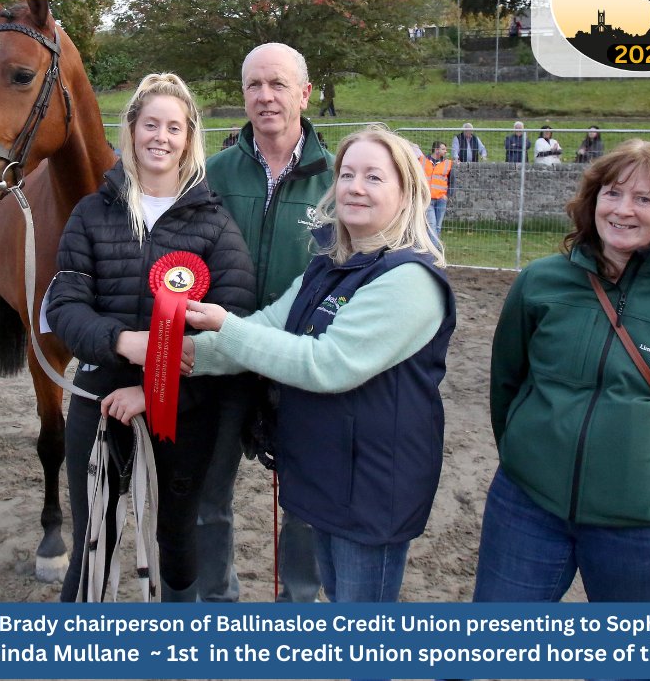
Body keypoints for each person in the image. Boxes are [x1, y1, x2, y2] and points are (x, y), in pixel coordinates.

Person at [474, 139, 650, 610]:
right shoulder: (540, 282)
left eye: (645, 198)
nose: (623, 210)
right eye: (612, 193)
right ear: (593, 201)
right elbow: (507, 384)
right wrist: (524, 455)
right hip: (527, 509)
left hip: (648, 530)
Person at [183, 126, 456, 605]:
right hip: (324, 473)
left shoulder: (409, 279)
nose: (354, 186)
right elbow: (270, 324)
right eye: (347, 174)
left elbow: (326, 364)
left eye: (374, 177)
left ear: (406, 190)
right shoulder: (328, 263)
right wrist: (172, 356)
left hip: (372, 488)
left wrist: (225, 326)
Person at [45, 73, 256, 603]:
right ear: (132, 130)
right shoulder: (91, 214)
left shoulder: (215, 227)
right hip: (99, 402)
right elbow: (65, 306)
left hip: (183, 412)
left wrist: (156, 391)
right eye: (151, 124)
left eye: (175, 128)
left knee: (178, 543)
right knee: (95, 536)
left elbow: (234, 329)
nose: (161, 137)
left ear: (189, 139)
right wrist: (124, 343)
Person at [199, 43, 335, 604]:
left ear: (304, 93)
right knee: (208, 496)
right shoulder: (212, 173)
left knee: (306, 505)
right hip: (223, 358)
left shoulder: (338, 178)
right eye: (254, 85)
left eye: (278, 84)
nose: (265, 96)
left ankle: (298, 608)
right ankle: (215, 605)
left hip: (298, 362)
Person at [420, 140, 454, 239]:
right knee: (432, 225)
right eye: (443, 149)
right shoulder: (422, 160)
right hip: (428, 199)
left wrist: (447, 195)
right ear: (436, 150)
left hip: (441, 199)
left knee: (438, 227)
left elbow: (452, 181)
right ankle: (436, 251)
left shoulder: (448, 163)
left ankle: (434, 251)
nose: (445, 151)